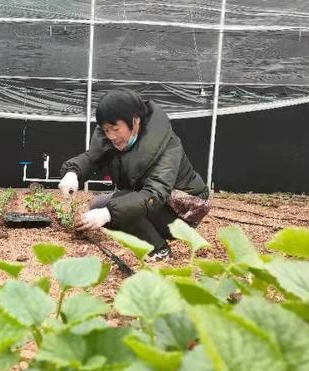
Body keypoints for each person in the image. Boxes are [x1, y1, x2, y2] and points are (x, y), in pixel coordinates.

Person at [58, 89, 210, 261]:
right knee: (98, 205)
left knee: (118, 206)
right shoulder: (113, 139)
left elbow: (154, 194)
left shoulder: (167, 145)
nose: (111, 136)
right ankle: (143, 237)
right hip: (157, 202)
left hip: (183, 209)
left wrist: (108, 213)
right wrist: (73, 173)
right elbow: (92, 158)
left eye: (115, 129)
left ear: (135, 120)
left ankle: (159, 250)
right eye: (106, 130)